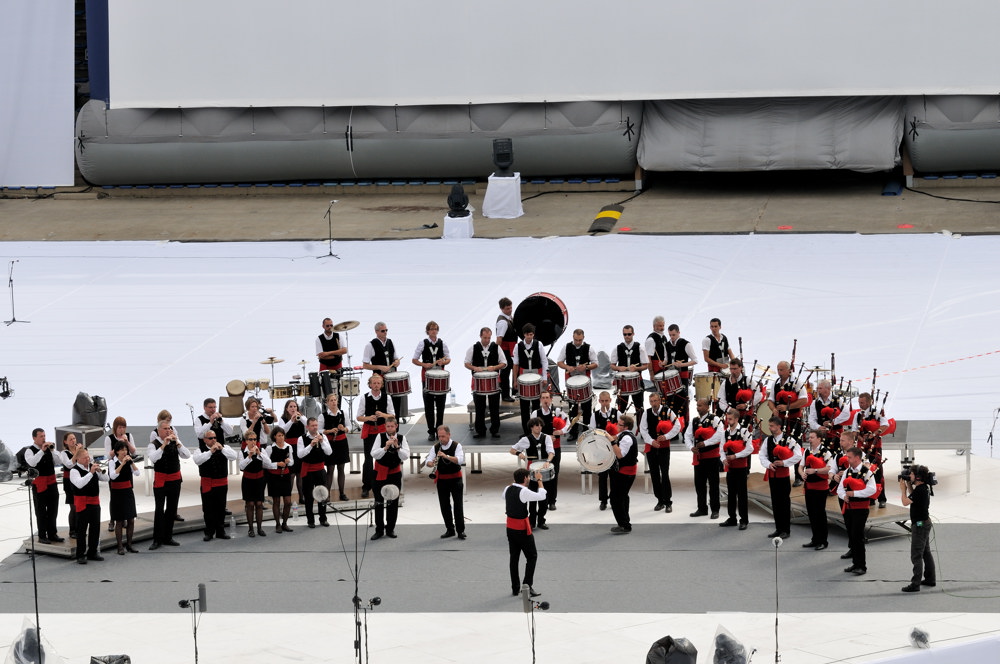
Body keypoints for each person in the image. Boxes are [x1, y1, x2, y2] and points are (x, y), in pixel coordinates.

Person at [504, 467, 547, 597]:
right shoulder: (524, 491)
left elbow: (504, 497)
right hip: (521, 529)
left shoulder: (507, 489)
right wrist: (539, 480)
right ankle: (527, 586)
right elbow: (542, 495)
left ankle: (515, 588)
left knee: (514, 558)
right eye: (528, 477)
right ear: (525, 478)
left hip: (510, 528)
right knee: (532, 556)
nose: (529, 479)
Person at [148, 419, 191, 549]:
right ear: (159, 431)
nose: (168, 431)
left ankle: (168, 536)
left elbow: (187, 455)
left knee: (172, 509)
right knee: (159, 510)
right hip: (161, 480)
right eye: (165, 429)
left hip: (174, 480)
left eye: (169, 428)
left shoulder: (175, 441)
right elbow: (154, 458)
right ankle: (157, 539)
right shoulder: (153, 444)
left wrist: (177, 441)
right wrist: (163, 445)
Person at [758, 416, 802, 539]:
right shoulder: (768, 440)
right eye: (769, 425)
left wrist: (784, 463)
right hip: (772, 475)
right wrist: (768, 464)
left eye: (772, 426)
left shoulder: (789, 439)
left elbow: (798, 455)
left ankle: (786, 529)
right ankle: (778, 528)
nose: (770, 428)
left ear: (778, 426)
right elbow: (762, 455)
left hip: (783, 476)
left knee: (784, 503)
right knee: (775, 502)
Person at [845, 392, 890, 508]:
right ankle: (869, 497)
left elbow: (885, 425)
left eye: (862, 402)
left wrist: (873, 434)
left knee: (877, 471)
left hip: (875, 446)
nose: (860, 405)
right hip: (862, 447)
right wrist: (860, 438)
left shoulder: (878, 412)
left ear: (869, 402)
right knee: (864, 470)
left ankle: (881, 498)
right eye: (859, 402)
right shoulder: (857, 415)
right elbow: (854, 431)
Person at [836, 446, 877, 575]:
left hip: (861, 509)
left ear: (857, 458)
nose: (847, 459)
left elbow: (872, 489)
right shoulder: (847, 471)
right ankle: (855, 563)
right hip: (849, 508)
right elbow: (840, 489)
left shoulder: (867, 472)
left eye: (849, 457)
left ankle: (861, 566)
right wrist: (844, 496)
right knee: (852, 536)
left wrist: (854, 493)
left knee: (857, 536)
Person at [192, 426, 237, 541]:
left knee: (221, 508)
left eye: (215, 438)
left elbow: (234, 457)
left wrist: (222, 449)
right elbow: (198, 460)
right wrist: (210, 451)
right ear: (205, 440)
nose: (213, 440)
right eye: (210, 438)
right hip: (208, 483)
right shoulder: (200, 450)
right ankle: (209, 532)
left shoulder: (224, 447)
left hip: (221, 483)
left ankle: (220, 531)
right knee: (208, 509)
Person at [637, 391, 680, 513]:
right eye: (651, 401)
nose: (653, 403)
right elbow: (643, 429)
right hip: (651, 447)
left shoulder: (668, 411)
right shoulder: (647, 412)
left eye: (655, 401)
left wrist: (666, 436)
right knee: (654, 474)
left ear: (659, 400)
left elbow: (677, 426)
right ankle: (659, 500)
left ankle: (668, 501)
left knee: (665, 474)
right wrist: (651, 441)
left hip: (664, 447)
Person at [510, 417, 555, 530]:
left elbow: (551, 452)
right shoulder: (526, 439)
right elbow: (512, 449)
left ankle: (541, 520)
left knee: (544, 498)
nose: (539, 427)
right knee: (532, 497)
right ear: (531, 427)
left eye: (540, 425)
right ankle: (532, 522)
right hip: (532, 470)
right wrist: (519, 453)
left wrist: (548, 461)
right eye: (536, 426)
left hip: (544, 468)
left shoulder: (546, 438)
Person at [684, 397, 724, 519]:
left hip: (712, 457)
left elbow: (720, 435)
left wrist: (706, 443)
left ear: (707, 407)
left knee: (713, 485)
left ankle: (715, 509)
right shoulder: (694, 421)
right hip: (699, 458)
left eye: (700, 405)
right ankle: (702, 508)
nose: (698, 407)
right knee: (699, 484)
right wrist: (691, 447)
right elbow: (687, 435)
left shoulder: (715, 419)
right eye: (697, 405)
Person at [371, 415, 409, 540]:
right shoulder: (380, 436)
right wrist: (385, 447)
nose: (390, 429)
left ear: (396, 426)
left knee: (393, 501)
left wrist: (397, 447)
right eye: (388, 426)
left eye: (392, 426)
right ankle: (379, 530)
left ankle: (390, 529)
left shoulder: (402, 438)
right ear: (385, 427)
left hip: (394, 474)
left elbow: (405, 456)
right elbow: (374, 453)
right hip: (380, 472)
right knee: (379, 502)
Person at [556, 329, 598, 443]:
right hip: (571, 381)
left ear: (583, 338)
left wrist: (586, 367)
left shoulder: (589, 348)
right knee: (572, 408)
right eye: (576, 340)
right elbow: (559, 362)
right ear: (572, 337)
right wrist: (567, 367)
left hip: (585, 381)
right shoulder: (567, 347)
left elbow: (596, 363)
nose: (578, 342)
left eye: (580, 340)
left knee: (587, 408)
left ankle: (587, 431)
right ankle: (573, 432)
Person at [412, 320, 451, 442]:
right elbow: (414, 359)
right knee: (428, 406)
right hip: (427, 378)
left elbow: (448, 358)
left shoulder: (442, 343)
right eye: (431, 329)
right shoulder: (422, 343)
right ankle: (430, 432)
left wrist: (443, 362)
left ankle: (440, 431)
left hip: (440, 378)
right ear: (428, 331)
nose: (434, 331)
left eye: (435, 329)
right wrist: (424, 364)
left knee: (440, 407)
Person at [464, 327, 506, 439]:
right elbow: (466, 363)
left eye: (489, 338)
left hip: (493, 382)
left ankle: (495, 430)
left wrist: (495, 367)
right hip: (479, 382)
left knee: (494, 408)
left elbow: (504, 363)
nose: (487, 340)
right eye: (485, 337)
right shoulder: (473, 348)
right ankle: (480, 430)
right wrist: (474, 368)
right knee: (479, 408)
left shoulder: (497, 348)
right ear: (480, 336)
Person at [424, 425, 465, 539]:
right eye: (439, 436)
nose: (441, 439)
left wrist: (446, 456)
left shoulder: (457, 446)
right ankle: (449, 529)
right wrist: (430, 463)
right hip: (442, 480)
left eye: (443, 436)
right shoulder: (436, 447)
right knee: (444, 506)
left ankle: (460, 530)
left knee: (458, 505)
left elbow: (460, 460)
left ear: (449, 435)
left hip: (456, 479)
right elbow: (428, 460)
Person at [899, 464, 936, 592]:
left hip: (920, 526)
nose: (910, 475)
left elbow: (905, 502)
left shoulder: (920, 491)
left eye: (912, 474)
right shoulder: (923, 488)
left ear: (918, 477)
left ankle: (915, 584)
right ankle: (930, 579)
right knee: (926, 552)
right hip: (924, 523)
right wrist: (909, 484)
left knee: (916, 555)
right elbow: (913, 496)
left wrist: (902, 489)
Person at [357, 374, 394, 498]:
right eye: (374, 383)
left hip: (382, 431)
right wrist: (368, 418)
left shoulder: (387, 397)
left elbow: (392, 415)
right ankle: (366, 486)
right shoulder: (364, 397)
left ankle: (382, 484)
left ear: (381, 385)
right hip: (370, 431)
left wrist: (383, 415)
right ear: (370, 384)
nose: (376, 385)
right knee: (368, 459)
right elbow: (358, 416)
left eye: (379, 383)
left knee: (383, 458)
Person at [530, 392, 568, 511]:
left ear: (551, 399)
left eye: (547, 398)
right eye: (543, 398)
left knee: (553, 474)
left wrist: (560, 432)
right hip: (540, 448)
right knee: (540, 473)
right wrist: (546, 436)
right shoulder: (536, 413)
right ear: (540, 400)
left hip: (555, 447)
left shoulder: (557, 411)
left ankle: (552, 500)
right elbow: (532, 429)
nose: (545, 400)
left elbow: (569, 423)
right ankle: (541, 499)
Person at [69, 448, 108, 563]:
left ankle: (92, 552)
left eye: (88, 456)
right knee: (81, 530)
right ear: (78, 459)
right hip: (83, 502)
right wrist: (91, 473)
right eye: (85, 457)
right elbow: (79, 484)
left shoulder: (92, 467)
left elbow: (106, 479)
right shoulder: (74, 471)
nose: (88, 459)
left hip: (94, 501)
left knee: (95, 528)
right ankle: (80, 554)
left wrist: (100, 471)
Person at [25, 428, 62, 544]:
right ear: (34, 438)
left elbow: (58, 461)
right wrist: (41, 450)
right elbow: (32, 463)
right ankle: (42, 535)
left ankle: (52, 533)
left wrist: (53, 450)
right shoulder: (29, 451)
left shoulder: (48, 450)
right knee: (41, 511)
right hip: (40, 484)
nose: (44, 438)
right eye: (41, 436)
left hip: (51, 482)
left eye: (44, 435)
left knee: (53, 509)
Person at [719, 408, 752, 530]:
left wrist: (735, 456)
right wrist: (723, 459)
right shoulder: (725, 433)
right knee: (731, 494)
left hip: (741, 468)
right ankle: (732, 518)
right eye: (727, 419)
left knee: (742, 494)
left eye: (731, 419)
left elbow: (750, 449)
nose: (728, 421)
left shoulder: (744, 432)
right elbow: (721, 449)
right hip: (731, 468)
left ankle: (744, 520)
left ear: (737, 419)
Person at [801, 429, 834, 550]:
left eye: (812, 437)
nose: (809, 439)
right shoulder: (807, 451)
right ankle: (815, 539)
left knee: (820, 514)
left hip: (821, 487)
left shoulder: (826, 452)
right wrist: (802, 474)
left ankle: (823, 541)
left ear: (819, 439)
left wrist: (815, 470)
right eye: (809, 437)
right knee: (811, 513)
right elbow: (801, 466)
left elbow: (829, 468)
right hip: (809, 487)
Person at [513, 323, 548, 435]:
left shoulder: (539, 344)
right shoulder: (518, 346)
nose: (530, 337)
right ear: (524, 335)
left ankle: (538, 430)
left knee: (536, 406)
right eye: (528, 335)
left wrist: (544, 377)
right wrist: (514, 380)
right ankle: (527, 432)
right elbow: (515, 364)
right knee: (524, 407)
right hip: (523, 377)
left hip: (536, 376)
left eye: (531, 334)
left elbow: (544, 360)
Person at [362, 321, 404, 415]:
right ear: (376, 332)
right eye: (382, 331)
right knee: (382, 404)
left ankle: (395, 427)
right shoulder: (370, 345)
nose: (385, 332)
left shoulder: (390, 342)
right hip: (379, 378)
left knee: (395, 403)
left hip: (392, 378)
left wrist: (397, 362)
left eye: (386, 330)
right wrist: (379, 367)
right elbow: (365, 365)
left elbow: (396, 359)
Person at [297, 417, 332, 528]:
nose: (315, 427)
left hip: (320, 469)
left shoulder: (323, 436)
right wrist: (311, 445)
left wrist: (322, 442)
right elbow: (300, 454)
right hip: (308, 469)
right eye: (312, 425)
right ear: (307, 427)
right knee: (308, 496)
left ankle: (323, 518)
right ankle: (310, 520)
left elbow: (329, 452)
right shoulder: (301, 439)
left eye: (316, 425)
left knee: (322, 494)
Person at [239, 431, 275, 538]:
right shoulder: (242, 452)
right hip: (248, 480)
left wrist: (259, 454)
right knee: (250, 504)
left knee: (259, 504)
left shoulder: (262, 450)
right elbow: (241, 467)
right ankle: (250, 528)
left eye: (255, 439)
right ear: (246, 441)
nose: (253, 442)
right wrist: (249, 456)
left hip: (259, 480)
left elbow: (268, 464)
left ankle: (259, 528)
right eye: (250, 439)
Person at [589, 391, 620, 510]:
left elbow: (622, 430)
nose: (604, 403)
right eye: (602, 401)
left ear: (610, 400)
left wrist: (614, 437)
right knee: (602, 476)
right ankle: (603, 500)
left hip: (613, 449)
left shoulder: (617, 413)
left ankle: (613, 499)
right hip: (601, 450)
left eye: (606, 401)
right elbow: (592, 431)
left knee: (614, 476)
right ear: (599, 401)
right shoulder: (594, 415)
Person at [610, 324, 649, 415]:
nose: (627, 336)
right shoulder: (617, 348)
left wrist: (636, 368)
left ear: (633, 334)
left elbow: (646, 365)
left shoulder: (640, 347)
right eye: (625, 334)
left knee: (639, 408)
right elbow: (612, 365)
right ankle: (619, 428)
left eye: (629, 334)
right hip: (622, 382)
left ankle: (640, 428)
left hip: (637, 381)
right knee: (621, 409)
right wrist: (619, 368)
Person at [108, 444, 140, 554]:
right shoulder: (112, 462)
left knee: (131, 519)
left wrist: (132, 462)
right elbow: (113, 476)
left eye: (125, 449)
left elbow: (137, 473)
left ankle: (129, 544)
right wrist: (122, 464)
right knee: (120, 520)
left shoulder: (129, 461)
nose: (124, 451)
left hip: (128, 491)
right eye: (122, 450)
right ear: (117, 451)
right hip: (117, 493)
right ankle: (120, 546)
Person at [609, 414, 639, 534]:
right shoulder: (623, 436)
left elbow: (620, 454)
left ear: (626, 426)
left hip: (625, 472)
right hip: (624, 472)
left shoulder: (627, 438)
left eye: (619, 424)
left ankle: (624, 524)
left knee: (615, 499)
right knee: (622, 497)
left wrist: (612, 442)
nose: (617, 425)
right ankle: (624, 522)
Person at [663, 324, 698, 417]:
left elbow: (695, 360)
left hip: (682, 375)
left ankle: (684, 423)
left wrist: (682, 364)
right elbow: (666, 359)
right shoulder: (667, 345)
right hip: (670, 376)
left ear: (679, 333)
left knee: (683, 401)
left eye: (673, 335)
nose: (672, 337)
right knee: (671, 400)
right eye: (670, 335)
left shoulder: (686, 344)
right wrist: (663, 363)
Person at [276, 400, 308, 503]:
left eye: (295, 406)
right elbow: (283, 431)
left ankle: (301, 497)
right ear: (287, 409)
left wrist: (300, 417)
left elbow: (308, 424)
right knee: (291, 474)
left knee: (300, 474)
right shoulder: (283, 419)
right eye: (291, 407)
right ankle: (287, 497)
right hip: (289, 447)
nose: (293, 408)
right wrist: (291, 421)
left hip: (299, 446)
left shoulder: (300, 417)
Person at [320, 393, 350, 502]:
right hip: (330, 443)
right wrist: (328, 431)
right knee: (330, 468)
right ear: (327, 403)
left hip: (341, 442)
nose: (333, 402)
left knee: (341, 468)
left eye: (334, 400)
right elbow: (319, 430)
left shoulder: (343, 413)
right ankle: (327, 494)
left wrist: (344, 428)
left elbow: (349, 427)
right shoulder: (323, 415)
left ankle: (342, 493)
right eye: (331, 400)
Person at [265, 428, 295, 533]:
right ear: (274, 437)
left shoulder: (289, 447)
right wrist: (277, 464)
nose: (281, 437)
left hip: (285, 476)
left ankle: (285, 523)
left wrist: (288, 461)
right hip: (274, 477)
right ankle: (277, 524)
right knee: (276, 501)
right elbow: (265, 463)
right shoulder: (270, 448)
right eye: (279, 435)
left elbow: (292, 463)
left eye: (282, 435)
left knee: (288, 502)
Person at [718, 358, 761, 429]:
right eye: (731, 369)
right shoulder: (725, 383)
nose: (732, 371)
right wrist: (730, 409)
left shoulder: (747, 380)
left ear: (740, 368)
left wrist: (746, 404)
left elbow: (758, 395)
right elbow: (721, 400)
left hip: (744, 416)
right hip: (730, 416)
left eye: (735, 369)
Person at [57, 433, 81, 540]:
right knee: (73, 506)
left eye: (74, 438)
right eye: (70, 439)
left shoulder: (79, 450)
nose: (73, 441)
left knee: (80, 506)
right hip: (69, 481)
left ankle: (80, 528)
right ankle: (72, 530)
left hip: (79, 479)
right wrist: (77, 453)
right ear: (65, 442)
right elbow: (69, 464)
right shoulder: (64, 453)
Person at [496, 297, 518, 402]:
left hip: (511, 349)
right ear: (501, 309)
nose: (510, 310)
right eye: (507, 309)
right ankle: (505, 395)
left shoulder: (509, 318)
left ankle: (513, 391)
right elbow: (499, 339)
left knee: (510, 370)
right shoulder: (503, 322)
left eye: (510, 308)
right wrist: (498, 354)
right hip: (505, 350)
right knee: (505, 373)